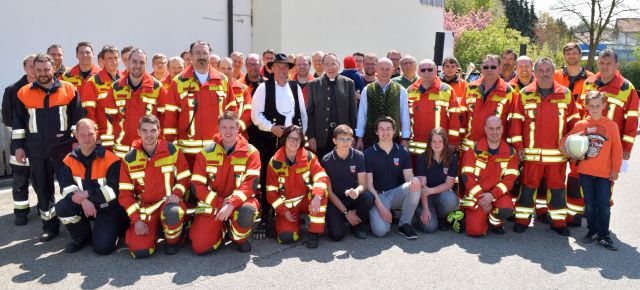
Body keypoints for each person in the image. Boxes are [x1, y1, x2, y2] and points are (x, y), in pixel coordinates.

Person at [12, 53, 84, 241]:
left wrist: (77, 142)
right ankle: (50, 227)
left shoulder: (69, 89)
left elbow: (77, 118)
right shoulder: (24, 92)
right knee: (43, 190)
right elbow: (18, 124)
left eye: (46, 69)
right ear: (34, 71)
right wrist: (18, 147)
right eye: (39, 70)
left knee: (70, 187)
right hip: (36, 150)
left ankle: (77, 226)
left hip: (64, 148)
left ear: (54, 69)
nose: (43, 73)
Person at [510, 57, 580, 236]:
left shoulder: (565, 94)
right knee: (527, 188)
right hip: (531, 156)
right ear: (535, 72)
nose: (544, 74)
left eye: (548, 70)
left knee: (557, 190)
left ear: (553, 71)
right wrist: (518, 146)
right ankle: (522, 220)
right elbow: (517, 122)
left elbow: (575, 124)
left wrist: (571, 148)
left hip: (557, 156)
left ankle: (559, 222)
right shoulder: (525, 93)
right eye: (540, 70)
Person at [250, 53, 307, 239]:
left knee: (293, 176)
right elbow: (255, 116)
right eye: (278, 66)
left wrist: (301, 136)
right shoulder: (262, 88)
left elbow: (302, 114)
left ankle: (292, 211)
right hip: (269, 139)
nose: (282, 70)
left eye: (285, 67)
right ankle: (266, 216)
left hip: (293, 140)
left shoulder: (295, 86)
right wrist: (271, 128)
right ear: (271, 68)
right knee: (269, 177)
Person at [119, 115, 190, 258]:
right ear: (138, 132)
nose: (149, 135)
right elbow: (125, 195)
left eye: (153, 130)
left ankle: (172, 241)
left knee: (173, 213)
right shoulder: (129, 159)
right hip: (146, 209)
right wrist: (137, 220)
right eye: (144, 131)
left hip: (168, 204)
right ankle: (155, 231)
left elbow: (185, 178)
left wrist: (176, 193)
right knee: (140, 251)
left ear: (159, 131)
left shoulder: (172, 151)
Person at [189, 111, 261, 253]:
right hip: (213, 204)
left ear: (238, 128)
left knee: (248, 210)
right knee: (199, 247)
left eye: (232, 127)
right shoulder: (206, 153)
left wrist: (230, 203)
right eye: (224, 127)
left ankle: (237, 237)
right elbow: (196, 186)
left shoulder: (251, 153)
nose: (228, 132)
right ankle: (220, 229)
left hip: (240, 203)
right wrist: (219, 202)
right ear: (218, 128)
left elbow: (250, 184)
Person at [560, 91, 622, 251]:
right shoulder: (581, 125)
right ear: (586, 106)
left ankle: (604, 235)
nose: (594, 109)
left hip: (604, 174)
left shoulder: (611, 125)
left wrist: (616, 170)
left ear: (604, 106)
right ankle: (592, 231)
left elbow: (617, 150)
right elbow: (564, 143)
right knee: (589, 204)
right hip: (585, 172)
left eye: (598, 106)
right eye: (591, 106)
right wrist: (572, 150)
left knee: (603, 205)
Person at [55, 119, 129, 254]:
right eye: (82, 135)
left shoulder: (111, 159)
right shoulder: (69, 160)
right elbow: (65, 187)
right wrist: (83, 200)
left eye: (90, 134)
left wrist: (87, 194)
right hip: (84, 205)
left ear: (97, 133)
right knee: (62, 207)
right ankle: (82, 238)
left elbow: (114, 191)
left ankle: (117, 230)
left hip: (108, 208)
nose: (87, 138)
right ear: (76, 135)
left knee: (102, 249)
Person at [163, 40, 234, 167]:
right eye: (197, 53)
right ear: (190, 55)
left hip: (217, 151)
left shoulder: (222, 80)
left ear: (209, 55)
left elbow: (231, 113)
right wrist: (171, 149)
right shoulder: (178, 82)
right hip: (186, 155)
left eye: (204, 53)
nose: (201, 57)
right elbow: (170, 119)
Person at [266, 125, 328, 248]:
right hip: (288, 206)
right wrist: (283, 211)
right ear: (284, 139)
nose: (294, 142)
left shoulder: (309, 157)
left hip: (306, 200)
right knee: (287, 238)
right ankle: (283, 223)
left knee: (322, 193)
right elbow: (271, 192)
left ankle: (314, 232)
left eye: (297, 139)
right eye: (291, 138)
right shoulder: (275, 162)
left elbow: (321, 176)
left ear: (301, 141)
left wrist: (316, 196)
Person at [98, 48, 167, 157]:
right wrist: (107, 149)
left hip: (148, 153)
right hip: (121, 152)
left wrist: (159, 146)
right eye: (134, 62)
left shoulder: (157, 87)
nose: (138, 66)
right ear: (128, 63)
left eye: (142, 62)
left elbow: (165, 119)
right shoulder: (116, 88)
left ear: (146, 65)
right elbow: (108, 120)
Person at [460, 116, 519, 236]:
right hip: (477, 197)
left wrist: (492, 195)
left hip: (497, 195)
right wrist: (481, 197)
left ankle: (494, 221)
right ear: (485, 129)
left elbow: (510, 180)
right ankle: (481, 217)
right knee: (475, 231)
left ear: (502, 129)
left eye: (497, 128)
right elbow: (467, 176)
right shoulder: (474, 150)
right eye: (491, 128)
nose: (494, 132)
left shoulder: (510, 153)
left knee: (506, 208)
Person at [365, 116, 421, 239]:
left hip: (396, 194)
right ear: (376, 132)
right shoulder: (368, 153)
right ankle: (378, 214)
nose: (385, 133)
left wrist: (414, 179)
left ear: (394, 131)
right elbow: (368, 185)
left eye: (388, 129)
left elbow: (409, 177)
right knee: (381, 231)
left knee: (415, 185)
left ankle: (404, 224)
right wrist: (382, 209)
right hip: (378, 197)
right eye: (381, 129)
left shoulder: (402, 152)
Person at [322, 125, 374, 240]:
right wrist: (346, 213)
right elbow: (329, 193)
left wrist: (357, 190)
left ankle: (356, 225)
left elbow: (363, 185)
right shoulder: (326, 160)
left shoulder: (359, 156)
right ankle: (345, 218)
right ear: (334, 141)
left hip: (353, 199)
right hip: (336, 201)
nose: (345, 142)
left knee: (369, 197)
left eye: (349, 139)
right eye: (341, 139)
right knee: (336, 235)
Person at [2, 54, 35, 225]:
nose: (33, 69)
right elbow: (8, 120)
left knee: (42, 180)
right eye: (29, 66)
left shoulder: (46, 88)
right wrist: (22, 138)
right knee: (20, 180)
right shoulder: (12, 90)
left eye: (34, 65)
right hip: (19, 143)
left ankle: (46, 209)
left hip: (39, 144)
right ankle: (21, 213)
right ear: (24, 68)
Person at [459, 54, 516, 151]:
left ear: (500, 68)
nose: (489, 70)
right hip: (469, 149)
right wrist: (456, 141)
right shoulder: (471, 88)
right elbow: (461, 118)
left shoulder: (509, 92)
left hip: (495, 150)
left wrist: (513, 148)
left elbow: (514, 124)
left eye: (493, 67)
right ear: (482, 69)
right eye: (486, 67)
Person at [307, 53, 358, 158]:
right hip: (322, 138)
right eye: (327, 64)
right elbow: (310, 113)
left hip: (344, 137)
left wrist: (353, 136)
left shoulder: (348, 83)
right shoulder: (314, 84)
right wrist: (311, 136)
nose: (330, 68)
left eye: (333, 64)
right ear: (323, 66)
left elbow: (353, 113)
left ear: (339, 65)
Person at [406, 59, 460, 156]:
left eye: (430, 69)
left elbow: (455, 118)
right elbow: (404, 118)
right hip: (414, 150)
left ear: (435, 71)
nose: (426, 72)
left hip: (439, 150)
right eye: (423, 70)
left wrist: (453, 142)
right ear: (418, 72)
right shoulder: (410, 91)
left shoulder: (447, 90)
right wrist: (404, 139)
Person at [355, 58, 411, 150]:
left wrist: (405, 138)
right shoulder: (367, 89)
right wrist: (359, 138)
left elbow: (404, 115)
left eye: (387, 69)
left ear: (393, 70)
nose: (384, 72)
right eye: (382, 69)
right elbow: (362, 114)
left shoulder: (401, 90)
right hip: (370, 139)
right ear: (376, 69)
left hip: (392, 139)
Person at [414, 127, 460, 233]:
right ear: (430, 143)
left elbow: (449, 184)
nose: (437, 144)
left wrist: (431, 190)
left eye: (440, 141)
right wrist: (425, 210)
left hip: (440, 195)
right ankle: (418, 216)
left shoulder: (452, 159)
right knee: (429, 228)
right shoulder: (422, 158)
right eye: (434, 141)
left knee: (451, 200)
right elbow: (423, 188)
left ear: (445, 142)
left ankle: (441, 218)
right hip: (425, 198)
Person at [81, 45, 121, 123]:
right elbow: (88, 111)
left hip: (123, 133)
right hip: (103, 133)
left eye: (116, 58)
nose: (114, 61)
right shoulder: (93, 82)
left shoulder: (125, 80)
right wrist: (94, 132)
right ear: (102, 61)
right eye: (110, 58)